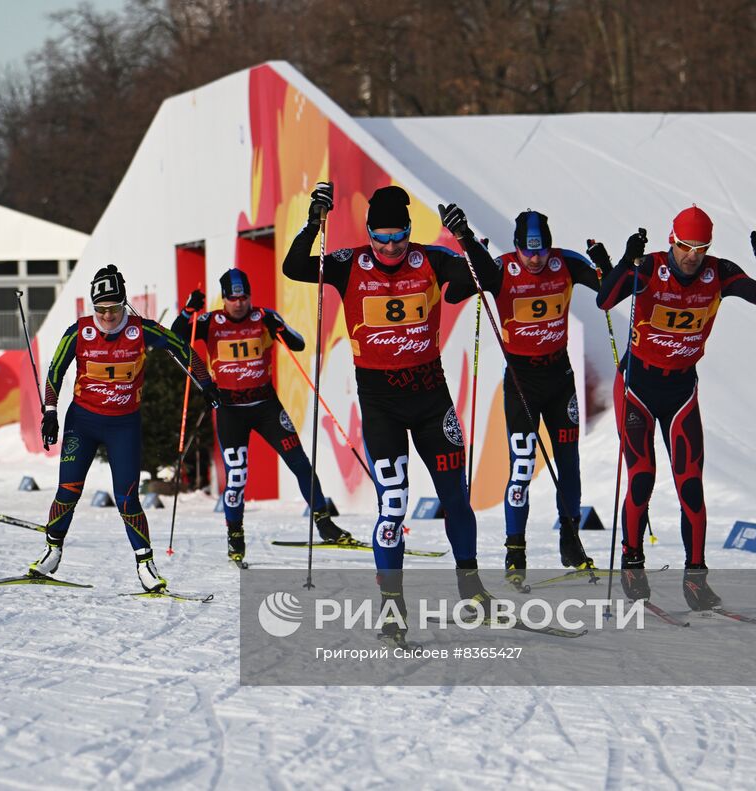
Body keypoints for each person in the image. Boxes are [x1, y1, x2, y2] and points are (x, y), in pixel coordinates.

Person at [283, 183, 492, 643]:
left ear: (410, 232)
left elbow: (489, 279)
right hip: (382, 408)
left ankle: (471, 586)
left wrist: (466, 237)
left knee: (456, 498)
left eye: (399, 237)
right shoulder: (349, 263)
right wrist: (315, 222)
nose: (391, 248)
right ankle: (392, 607)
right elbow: (294, 266)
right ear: (369, 234)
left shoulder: (431, 260)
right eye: (382, 238)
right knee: (392, 505)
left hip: (432, 400)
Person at [596, 207, 756, 609]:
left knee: (691, 487)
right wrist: (628, 261)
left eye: (700, 248)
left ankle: (696, 579)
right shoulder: (650, 267)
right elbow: (604, 300)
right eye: (684, 246)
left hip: (681, 390)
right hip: (637, 388)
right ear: (671, 240)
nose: (691, 256)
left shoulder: (720, 272)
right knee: (642, 477)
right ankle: (632, 562)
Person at [30, 265, 221, 592]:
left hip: (124, 425)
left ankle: (145, 564)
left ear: (124, 303)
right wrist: (50, 412)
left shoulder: (141, 329)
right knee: (68, 490)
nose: (107, 316)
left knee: (127, 497)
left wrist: (206, 383)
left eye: (114, 308)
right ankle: (52, 551)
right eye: (101, 309)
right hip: (83, 423)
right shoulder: (79, 332)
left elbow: (181, 348)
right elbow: (55, 371)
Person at [442, 208, 606, 586]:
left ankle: (571, 540)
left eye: (542, 251)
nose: (535, 259)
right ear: (515, 247)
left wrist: (606, 263)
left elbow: (609, 290)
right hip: (521, 383)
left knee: (569, 463)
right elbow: (453, 294)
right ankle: (515, 551)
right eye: (527, 251)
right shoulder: (500, 268)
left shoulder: (566, 263)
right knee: (521, 467)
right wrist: (474, 261)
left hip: (560, 378)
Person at [172, 268, 353, 565]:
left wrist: (279, 326)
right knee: (238, 476)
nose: (239, 304)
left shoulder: (263, 317)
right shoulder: (209, 322)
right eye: (233, 298)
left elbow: (298, 343)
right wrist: (187, 311)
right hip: (230, 411)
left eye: (244, 297)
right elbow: (176, 338)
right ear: (224, 298)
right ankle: (235, 535)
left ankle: (324, 523)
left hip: (267, 407)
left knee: (300, 463)